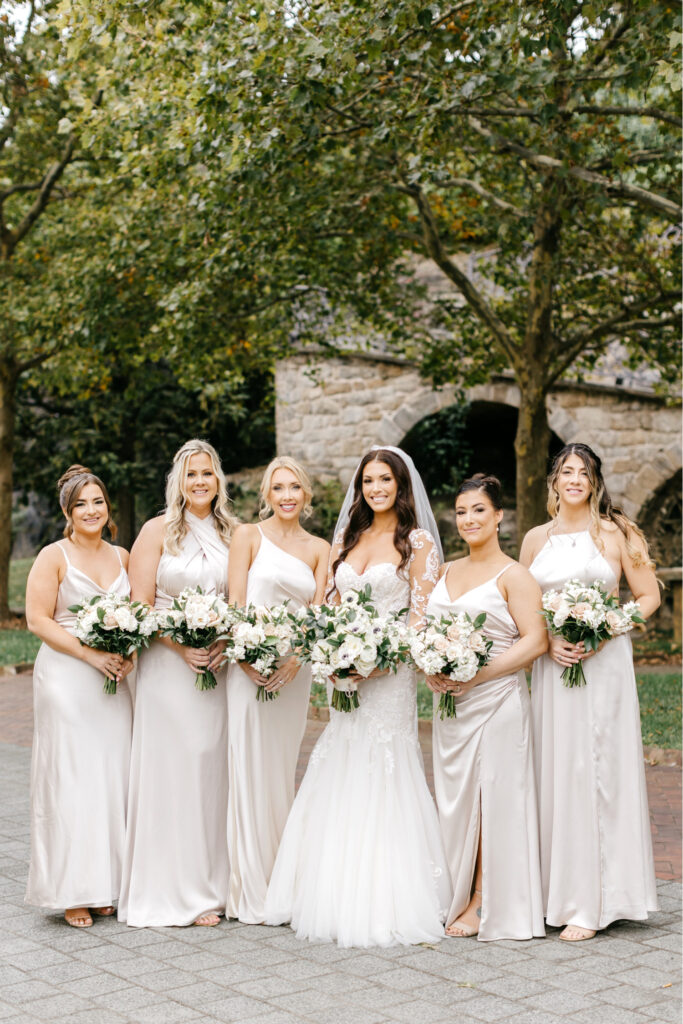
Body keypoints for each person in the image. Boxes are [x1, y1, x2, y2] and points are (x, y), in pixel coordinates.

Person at [264, 445, 451, 947]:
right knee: (341, 758)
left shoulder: (418, 543)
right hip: (345, 672)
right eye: (368, 480)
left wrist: (378, 659)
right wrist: (336, 653)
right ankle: (328, 887)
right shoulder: (347, 536)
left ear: (401, 485)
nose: (376, 488)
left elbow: (420, 616)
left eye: (385, 480)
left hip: (389, 677)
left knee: (385, 763)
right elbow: (330, 602)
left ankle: (388, 896)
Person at [520, 442, 660, 941]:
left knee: (599, 768)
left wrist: (605, 628)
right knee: (559, 769)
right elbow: (527, 606)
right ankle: (557, 892)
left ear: (594, 481)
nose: (574, 479)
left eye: (584, 472)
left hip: (605, 667)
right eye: (566, 471)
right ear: (554, 481)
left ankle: (596, 901)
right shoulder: (535, 539)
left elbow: (649, 596)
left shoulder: (615, 533)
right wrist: (551, 637)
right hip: (554, 669)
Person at [118, 439, 237, 928]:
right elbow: (140, 605)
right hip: (167, 667)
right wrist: (181, 644)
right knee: (172, 771)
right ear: (178, 482)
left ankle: (212, 885)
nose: (200, 482)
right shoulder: (157, 531)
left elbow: (243, 598)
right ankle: (172, 889)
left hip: (217, 665)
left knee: (211, 771)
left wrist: (225, 641)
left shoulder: (235, 534)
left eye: (208, 474)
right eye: (192, 475)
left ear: (219, 480)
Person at [425, 474, 546, 941]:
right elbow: (429, 632)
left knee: (491, 799)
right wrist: (431, 665)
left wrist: (477, 674)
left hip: (497, 701)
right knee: (456, 801)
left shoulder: (515, 575)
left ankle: (484, 898)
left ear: (499, 517)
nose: (469, 519)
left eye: (479, 510)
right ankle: (455, 889)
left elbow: (535, 641)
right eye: (461, 511)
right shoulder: (446, 571)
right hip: (451, 705)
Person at [25, 465, 134, 928]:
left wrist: (127, 651)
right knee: (72, 777)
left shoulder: (124, 556)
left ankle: (105, 883)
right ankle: (72, 890)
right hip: (67, 676)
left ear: (107, 508)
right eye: (81, 504)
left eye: (98, 502)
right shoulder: (53, 556)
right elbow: (38, 620)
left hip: (112, 678)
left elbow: (137, 613)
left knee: (112, 775)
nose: (91, 510)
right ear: (68, 512)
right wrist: (89, 655)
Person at [226, 457, 329, 923]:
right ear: (265, 494)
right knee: (248, 769)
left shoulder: (320, 548)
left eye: (295, 488)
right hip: (246, 667)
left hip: (293, 670)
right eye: (278, 488)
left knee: (281, 768)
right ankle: (250, 887)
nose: (287, 495)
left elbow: (319, 613)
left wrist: (296, 658)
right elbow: (235, 603)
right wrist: (247, 657)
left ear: (306, 495)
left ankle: (282, 880)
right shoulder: (247, 536)